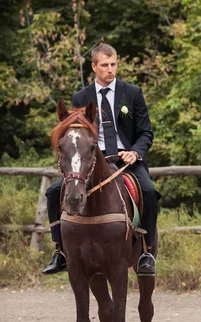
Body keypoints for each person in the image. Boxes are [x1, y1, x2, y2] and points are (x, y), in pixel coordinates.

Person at [43, 43, 160, 274]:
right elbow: (76, 135)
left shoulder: (132, 93)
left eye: (114, 64)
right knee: (53, 192)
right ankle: (59, 251)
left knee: (149, 191)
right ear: (94, 66)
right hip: (92, 161)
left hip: (126, 161)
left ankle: (146, 252)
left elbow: (146, 132)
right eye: (105, 65)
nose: (111, 69)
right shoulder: (81, 96)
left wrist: (135, 152)